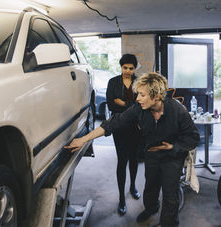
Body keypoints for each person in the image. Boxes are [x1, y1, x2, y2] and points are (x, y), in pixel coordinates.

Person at [66, 72, 200, 227]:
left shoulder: (177, 110)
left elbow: (193, 137)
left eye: (142, 95)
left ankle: (169, 223)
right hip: (152, 154)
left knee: (171, 196)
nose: (137, 99)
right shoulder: (139, 109)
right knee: (150, 187)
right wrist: (83, 139)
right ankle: (151, 208)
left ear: (156, 96)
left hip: (173, 156)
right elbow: (113, 123)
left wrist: (173, 147)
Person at [106, 53, 141, 215]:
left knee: (134, 158)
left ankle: (133, 186)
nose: (127, 71)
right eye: (125, 67)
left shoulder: (140, 82)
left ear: (135, 69)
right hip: (119, 126)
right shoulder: (113, 82)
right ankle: (121, 198)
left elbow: (141, 104)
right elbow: (110, 103)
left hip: (136, 126)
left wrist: (123, 103)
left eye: (131, 68)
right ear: (121, 67)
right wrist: (131, 105)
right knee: (122, 160)